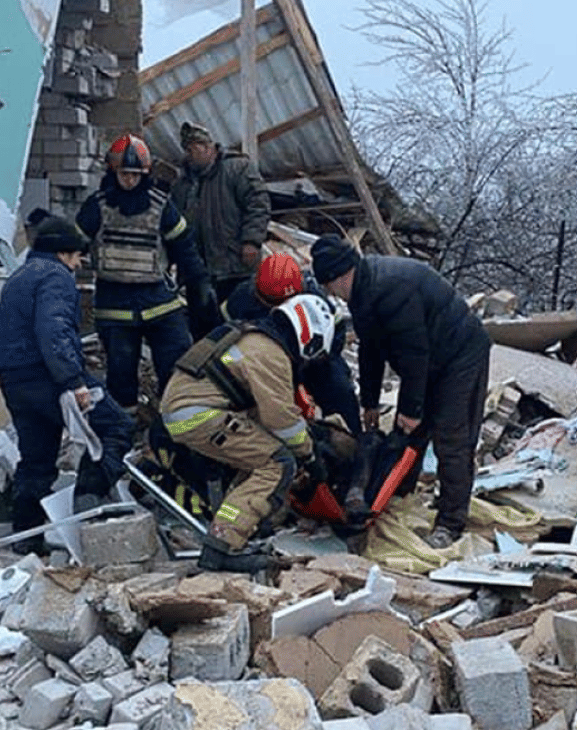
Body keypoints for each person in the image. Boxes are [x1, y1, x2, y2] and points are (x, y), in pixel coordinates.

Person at [310, 235, 491, 549]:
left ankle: (450, 522)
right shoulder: (361, 292)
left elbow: (414, 357)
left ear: (341, 275)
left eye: (330, 286)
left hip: (460, 353)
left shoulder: (392, 289)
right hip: (429, 357)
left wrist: (410, 410)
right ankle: (396, 496)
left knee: (451, 436)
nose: (331, 295)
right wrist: (369, 402)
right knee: (408, 436)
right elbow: (371, 351)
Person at [160, 294, 335, 572]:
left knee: (255, 464)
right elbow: (282, 421)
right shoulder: (271, 354)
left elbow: (263, 413)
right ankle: (222, 547)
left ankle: (230, 528)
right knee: (276, 464)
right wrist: (311, 457)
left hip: (184, 412)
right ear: (309, 337)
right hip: (195, 416)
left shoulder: (252, 337)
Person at [0, 215, 134, 553]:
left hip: (14, 379)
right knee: (116, 427)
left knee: (36, 459)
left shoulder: (20, 277)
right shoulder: (56, 278)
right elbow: (53, 331)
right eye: (76, 255)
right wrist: (73, 381)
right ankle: (87, 503)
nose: (79, 262)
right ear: (62, 253)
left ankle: (26, 540)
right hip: (49, 377)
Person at [77, 133, 218, 411]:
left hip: (160, 305)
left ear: (145, 174)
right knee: (121, 377)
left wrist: (200, 286)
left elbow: (185, 249)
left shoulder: (162, 207)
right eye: (124, 174)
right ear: (113, 172)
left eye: (135, 174)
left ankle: (175, 426)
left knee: (176, 368)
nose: (129, 180)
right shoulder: (97, 206)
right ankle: (125, 436)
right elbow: (72, 246)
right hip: (114, 307)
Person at [222, 253, 362, 435]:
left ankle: (355, 440)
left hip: (310, 359)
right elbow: (225, 338)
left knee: (339, 388)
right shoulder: (241, 301)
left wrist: (316, 360)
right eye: (273, 303)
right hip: (265, 363)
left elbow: (336, 334)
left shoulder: (315, 297)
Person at [169, 121, 271, 312]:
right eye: (186, 149)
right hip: (197, 271)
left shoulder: (237, 168)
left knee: (239, 320)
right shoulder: (182, 184)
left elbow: (258, 205)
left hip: (235, 267)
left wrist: (251, 241)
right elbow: (174, 222)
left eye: (193, 149)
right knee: (203, 329)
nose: (189, 154)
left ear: (208, 147)